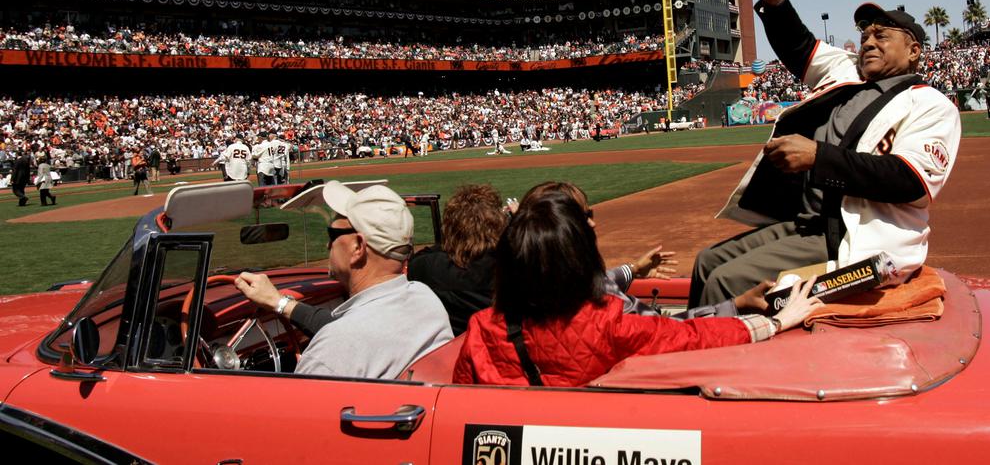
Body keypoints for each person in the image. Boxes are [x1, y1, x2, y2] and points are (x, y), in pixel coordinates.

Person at [689, 0, 962, 309]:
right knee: (707, 263)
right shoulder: (847, 69)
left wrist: (819, 157)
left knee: (726, 282)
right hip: (811, 222)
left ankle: (716, 359)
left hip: (858, 235)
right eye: (866, 35)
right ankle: (690, 349)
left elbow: (909, 182)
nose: (869, 42)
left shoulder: (930, 104)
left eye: (882, 36)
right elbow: (796, 44)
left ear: (913, 50)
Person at [452, 191, 822, 387]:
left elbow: (462, 396)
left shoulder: (482, 327)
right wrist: (774, 323)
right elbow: (692, 337)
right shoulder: (609, 323)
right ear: (578, 258)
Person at [235, 181, 453, 378]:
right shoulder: (424, 298)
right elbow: (355, 328)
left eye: (332, 235)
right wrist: (279, 302)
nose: (327, 246)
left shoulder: (333, 350)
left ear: (358, 247)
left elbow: (284, 417)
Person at [524, 181, 772, 319]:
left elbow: (598, 281)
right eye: (583, 216)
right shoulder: (601, 300)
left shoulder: (521, 286)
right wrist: (736, 305)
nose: (593, 223)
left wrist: (632, 269)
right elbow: (663, 330)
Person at [407, 184, 509, 334]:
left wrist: (452, 240)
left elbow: (419, 259)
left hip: (449, 347)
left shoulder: (428, 266)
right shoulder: (509, 267)